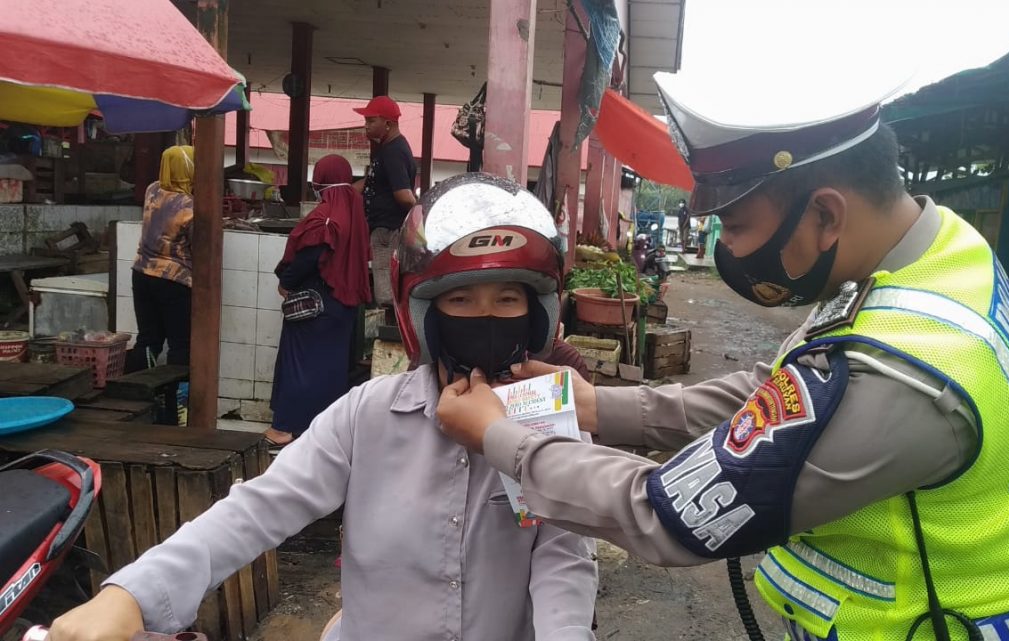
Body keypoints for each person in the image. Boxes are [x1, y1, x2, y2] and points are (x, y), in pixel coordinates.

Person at [436, 71, 1009, 641]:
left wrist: (502, 440)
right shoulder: (936, 256)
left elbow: (668, 515)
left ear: (826, 215)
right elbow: (780, 393)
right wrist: (599, 405)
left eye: (737, 229)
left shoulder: (900, 376)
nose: (730, 253)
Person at [44, 173, 598, 641]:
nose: (485, 316)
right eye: (460, 299)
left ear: (536, 313)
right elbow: (258, 509)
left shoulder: (549, 418)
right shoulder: (368, 414)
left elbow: (564, 558)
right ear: (423, 312)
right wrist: (131, 595)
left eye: (507, 299)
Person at [264, 155, 372, 448]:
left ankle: (284, 427)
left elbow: (310, 256)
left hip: (315, 306)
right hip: (343, 306)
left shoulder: (327, 216)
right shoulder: (354, 211)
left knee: (299, 364)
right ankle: (324, 431)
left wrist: (286, 283)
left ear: (322, 179)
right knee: (330, 369)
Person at [124, 145, 195, 373]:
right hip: (173, 280)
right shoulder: (190, 206)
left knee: (148, 339)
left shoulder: (152, 190)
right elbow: (198, 245)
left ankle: (138, 392)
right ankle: (177, 400)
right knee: (180, 344)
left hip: (141, 273)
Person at [353, 95, 417, 309]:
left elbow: (404, 195)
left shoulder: (393, 152)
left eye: (371, 121)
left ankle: (387, 333)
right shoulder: (388, 148)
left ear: (388, 124)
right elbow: (373, 181)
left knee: (386, 292)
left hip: (388, 231)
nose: (366, 126)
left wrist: (419, 219)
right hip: (385, 228)